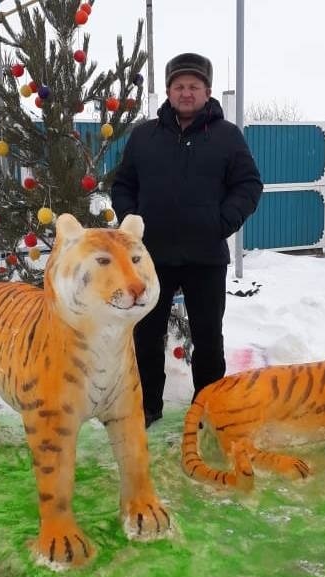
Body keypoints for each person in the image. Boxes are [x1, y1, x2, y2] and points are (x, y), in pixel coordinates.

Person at [111, 52, 263, 427]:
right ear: (168, 91)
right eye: (179, 86)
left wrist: (222, 221)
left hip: (205, 256)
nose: (186, 92)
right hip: (152, 257)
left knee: (209, 337)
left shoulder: (227, 137)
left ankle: (209, 405)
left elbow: (249, 184)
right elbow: (123, 184)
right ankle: (147, 405)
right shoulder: (144, 136)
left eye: (194, 86)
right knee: (146, 335)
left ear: (207, 91)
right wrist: (132, 224)